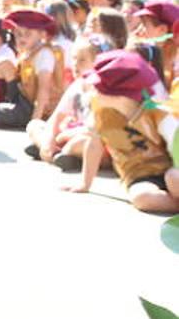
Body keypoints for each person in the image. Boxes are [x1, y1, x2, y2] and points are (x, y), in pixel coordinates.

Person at [67, 49, 178, 213]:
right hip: (137, 176)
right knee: (142, 198)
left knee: (173, 179)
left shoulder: (156, 111)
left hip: (170, 167)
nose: (94, 91)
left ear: (121, 94)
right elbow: (94, 145)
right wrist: (85, 183)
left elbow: (175, 143)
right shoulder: (99, 111)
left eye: (99, 88)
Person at [0, 8, 64, 129]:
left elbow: (43, 90)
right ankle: (0, 107)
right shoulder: (27, 53)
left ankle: (7, 114)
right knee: (3, 64)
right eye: (18, 34)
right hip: (23, 99)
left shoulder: (44, 54)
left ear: (42, 34)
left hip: (36, 108)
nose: (22, 38)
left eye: (28, 34)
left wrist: (35, 121)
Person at [25, 37, 105, 170]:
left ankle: (62, 154)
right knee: (34, 125)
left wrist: (65, 135)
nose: (75, 64)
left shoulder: (101, 89)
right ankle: (53, 151)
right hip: (69, 132)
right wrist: (50, 139)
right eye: (74, 58)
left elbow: (97, 129)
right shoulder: (76, 85)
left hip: (88, 136)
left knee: (78, 144)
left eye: (82, 60)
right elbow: (57, 117)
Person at [128, 1, 178, 91]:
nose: (137, 31)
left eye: (144, 25)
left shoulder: (176, 62)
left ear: (162, 30)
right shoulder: (141, 52)